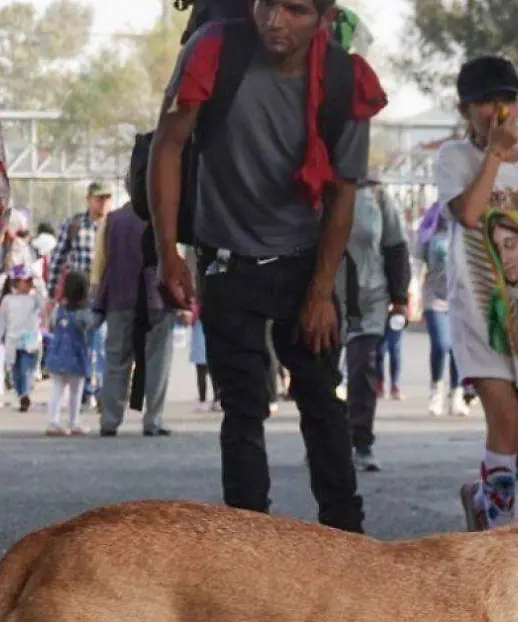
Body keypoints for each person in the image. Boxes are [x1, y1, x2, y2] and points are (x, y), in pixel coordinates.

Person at [151, 0, 385, 533]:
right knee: (243, 409)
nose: (274, 21)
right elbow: (169, 146)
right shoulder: (214, 51)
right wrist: (169, 252)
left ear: (322, 18)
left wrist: (322, 292)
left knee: (322, 402)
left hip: (307, 262)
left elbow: (343, 194)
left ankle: (347, 538)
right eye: (265, 4)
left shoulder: (344, 79)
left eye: (296, 10)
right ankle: (249, 541)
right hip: (227, 262)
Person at [435, 55, 518, 530]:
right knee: (505, 426)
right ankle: (500, 538)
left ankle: (482, 494)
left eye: (507, 100)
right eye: (486, 102)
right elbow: (469, 215)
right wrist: (493, 154)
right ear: (465, 110)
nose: (499, 111)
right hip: (476, 310)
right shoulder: (455, 158)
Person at [341, 178, 410, 471]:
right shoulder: (316, 185)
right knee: (320, 376)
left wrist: (399, 296)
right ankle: (324, 437)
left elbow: (396, 246)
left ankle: (362, 442)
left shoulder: (377, 194)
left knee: (363, 370)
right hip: (324, 299)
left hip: (370, 298)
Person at [93, 201, 173, 438]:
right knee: (158, 362)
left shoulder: (113, 219)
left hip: (120, 297)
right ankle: (153, 420)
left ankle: (109, 420)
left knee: (116, 360)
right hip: (156, 297)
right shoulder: (164, 214)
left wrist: (99, 300)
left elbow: (103, 261)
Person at [52, 182, 112, 406]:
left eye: (107, 198)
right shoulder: (75, 224)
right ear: (89, 199)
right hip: (80, 298)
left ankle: (102, 391)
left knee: (104, 343)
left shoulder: (113, 225)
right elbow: (58, 259)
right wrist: (52, 295)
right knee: (81, 343)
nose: (103, 203)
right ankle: (85, 388)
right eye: (99, 198)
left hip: (105, 296)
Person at [417, 202, 466, 416]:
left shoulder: (466, 226)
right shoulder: (430, 228)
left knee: (457, 347)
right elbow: (417, 261)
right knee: (441, 344)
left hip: (460, 298)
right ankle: (436, 390)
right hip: (434, 298)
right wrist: (412, 291)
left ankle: (456, 393)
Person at [43, 272, 94, 437]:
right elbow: (90, 327)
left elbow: (51, 325)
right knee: (76, 390)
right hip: (77, 354)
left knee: (57, 388)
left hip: (58, 353)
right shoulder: (84, 312)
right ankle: (73, 421)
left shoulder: (60, 309)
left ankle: (53, 421)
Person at [0, 266, 43, 412]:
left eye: (29, 281)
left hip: (30, 342)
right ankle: (21, 394)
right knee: (15, 371)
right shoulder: (8, 300)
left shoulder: (34, 298)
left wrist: (38, 285)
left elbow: (44, 305)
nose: (28, 284)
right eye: (25, 281)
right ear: (15, 282)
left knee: (26, 369)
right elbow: (0, 321)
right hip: (13, 342)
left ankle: (25, 394)